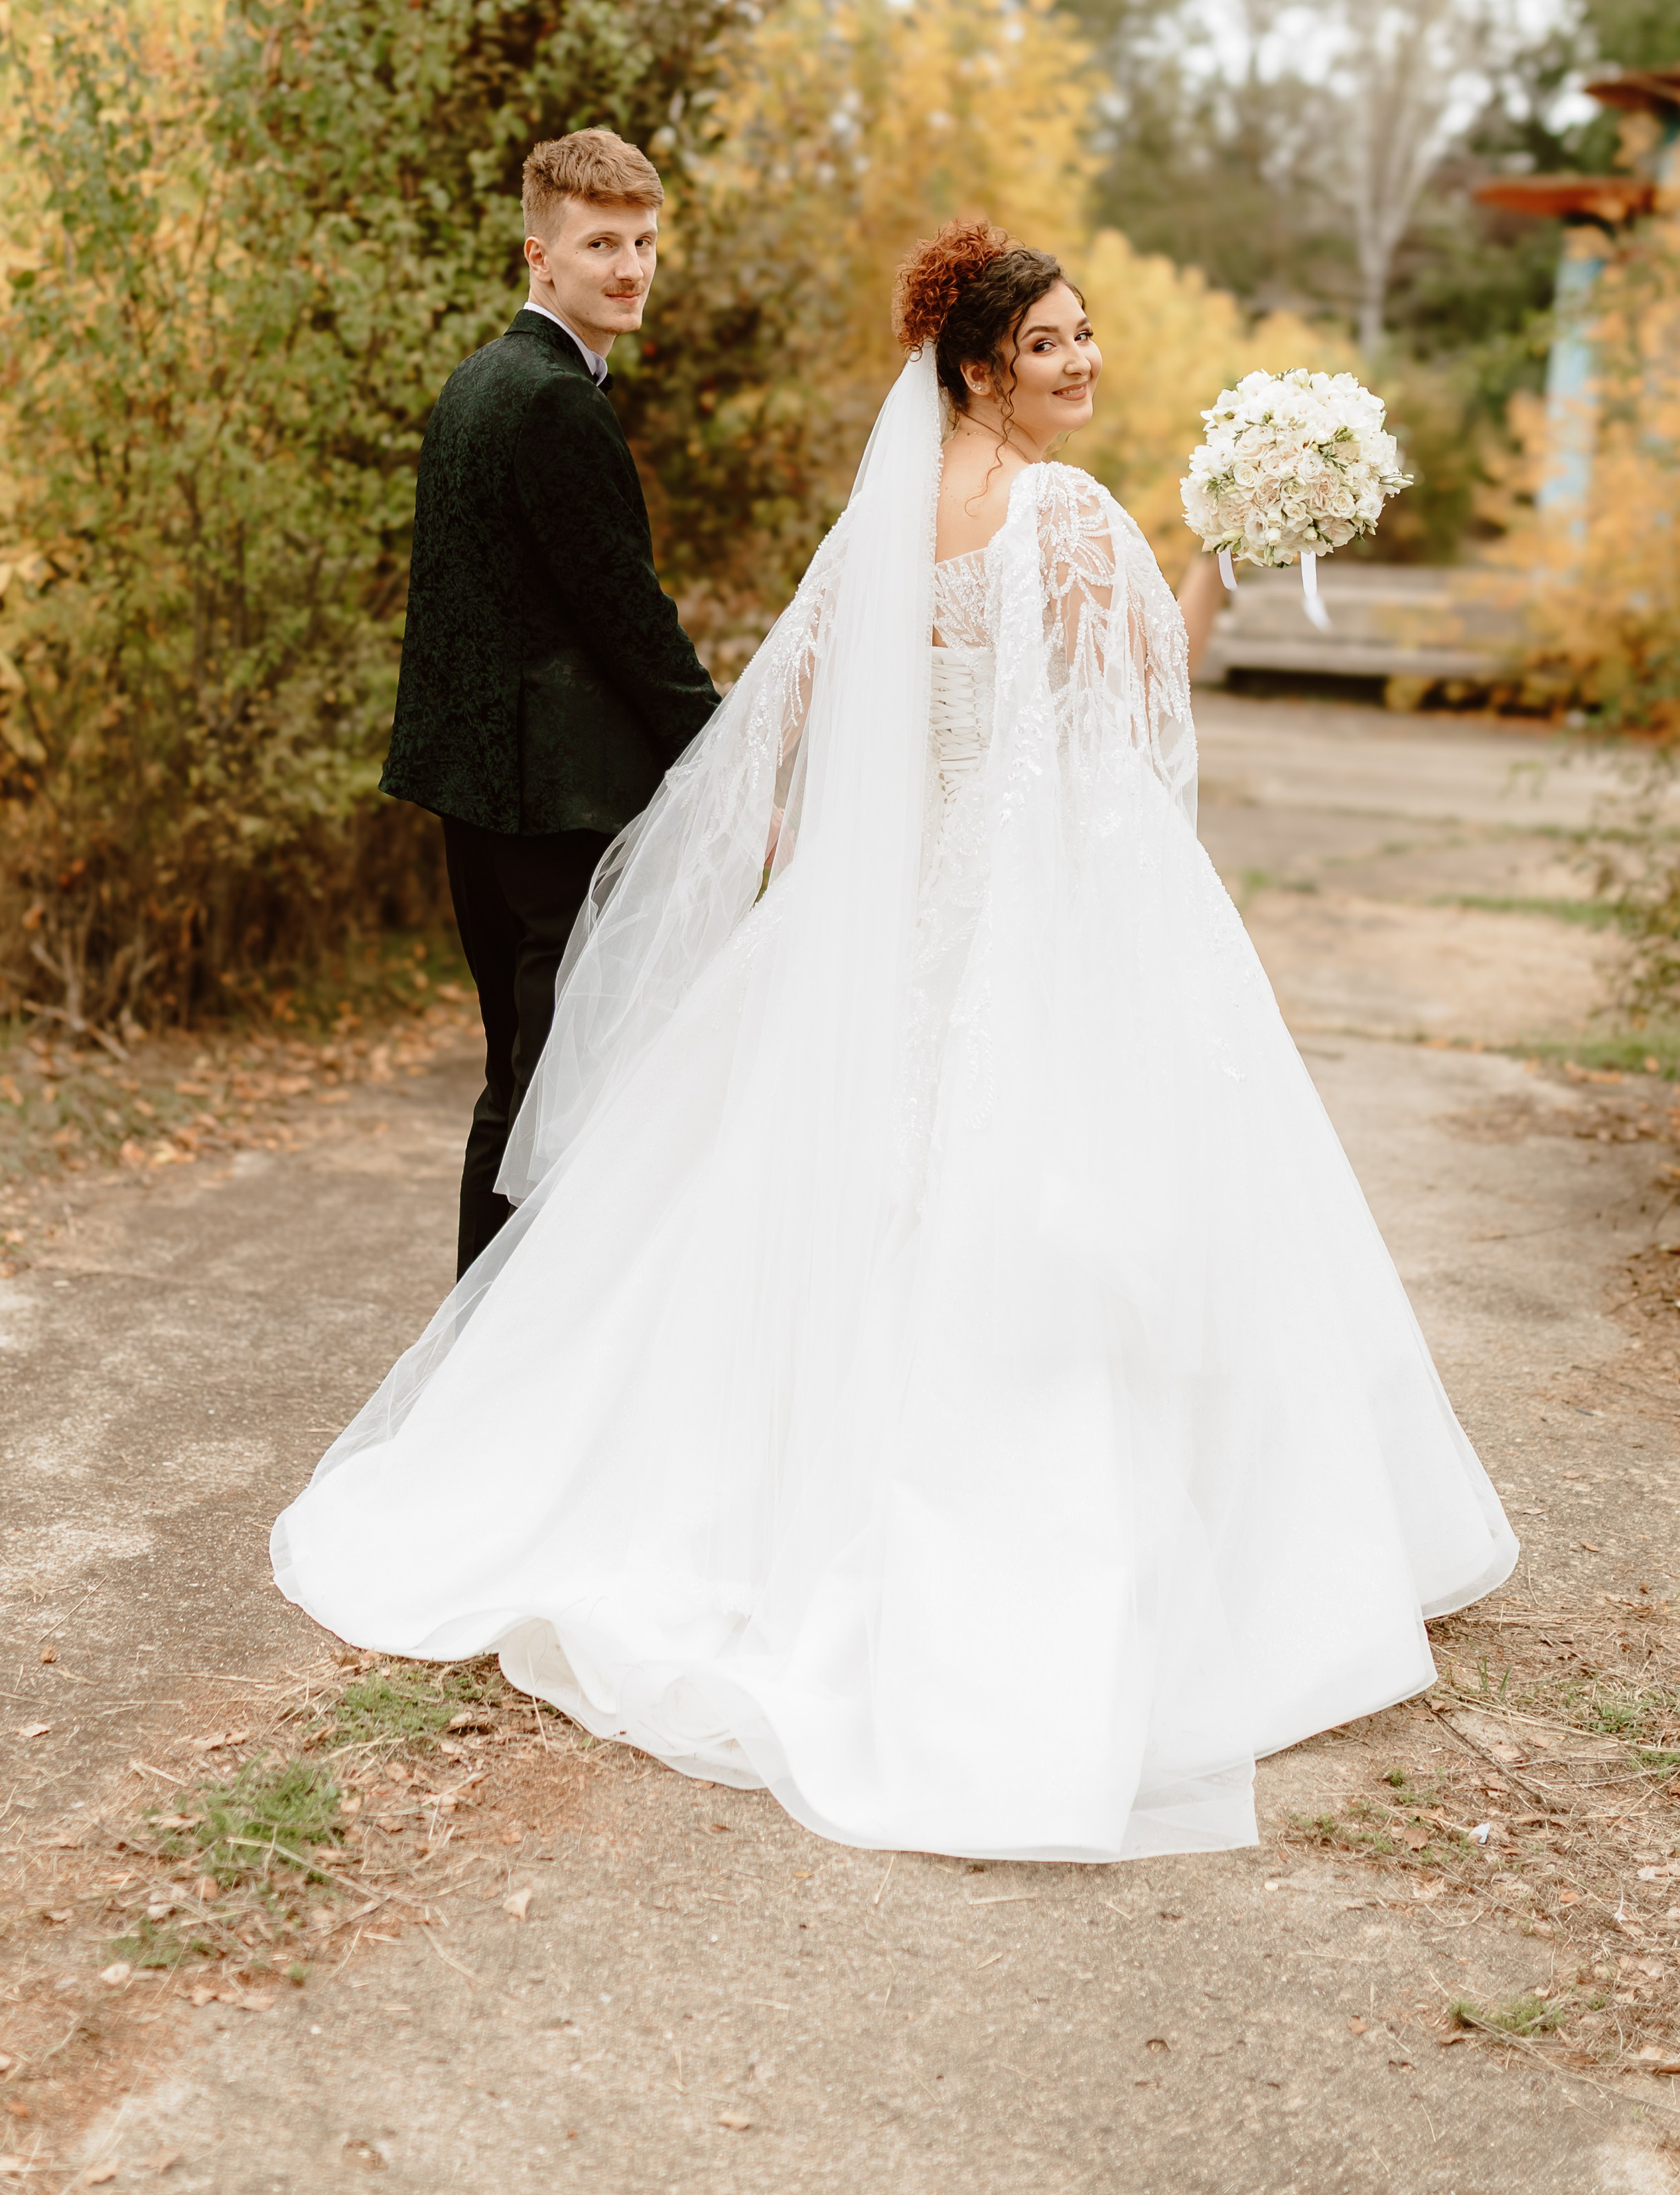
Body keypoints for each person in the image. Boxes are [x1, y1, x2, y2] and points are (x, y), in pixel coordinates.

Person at [275, 221, 1515, 1865]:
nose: (1080, 361)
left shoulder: (880, 524)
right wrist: (1218, 548)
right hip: (1042, 899)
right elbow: (1147, 695)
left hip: (897, 901)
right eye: (1050, 341)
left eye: (1084, 333)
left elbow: (789, 707)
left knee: (839, 1189)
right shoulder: (1065, 517)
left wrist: (812, 851)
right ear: (982, 369)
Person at [379, 129, 720, 1276]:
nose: (630, 268)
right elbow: (626, 614)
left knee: (518, 1079)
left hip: (480, 794)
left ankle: (480, 1336)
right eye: (601, 245)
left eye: (644, 243)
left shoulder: (477, 381)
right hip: (553, 804)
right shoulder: (557, 403)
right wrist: (723, 759)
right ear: (541, 254)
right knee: (550, 1093)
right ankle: (498, 1345)